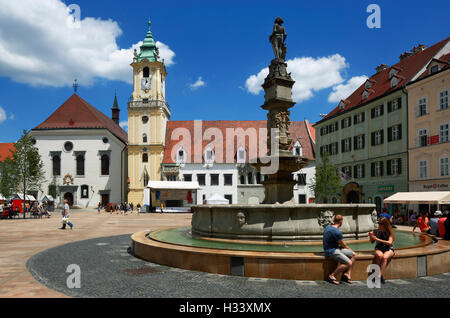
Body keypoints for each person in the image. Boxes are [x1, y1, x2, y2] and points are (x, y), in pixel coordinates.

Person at [323, 214, 356, 284]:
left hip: (335, 248)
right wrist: (348, 248)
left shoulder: (328, 227)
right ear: (341, 222)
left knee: (353, 255)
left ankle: (347, 274)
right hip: (331, 251)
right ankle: (332, 276)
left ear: (334, 220)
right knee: (349, 263)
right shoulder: (337, 232)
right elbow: (342, 244)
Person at [369, 217, 395, 284]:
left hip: (389, 248)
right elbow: (371, 242)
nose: (379, 225)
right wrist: (371, 237)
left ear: (385, 224)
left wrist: (377, 239)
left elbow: (389, 242)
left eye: (380, 224)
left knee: (384, 257)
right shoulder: (376, 231)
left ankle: (379, 276)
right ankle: (380, 275)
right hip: (379, 248)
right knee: (379, 255)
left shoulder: (390, 232)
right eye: (378, 223)